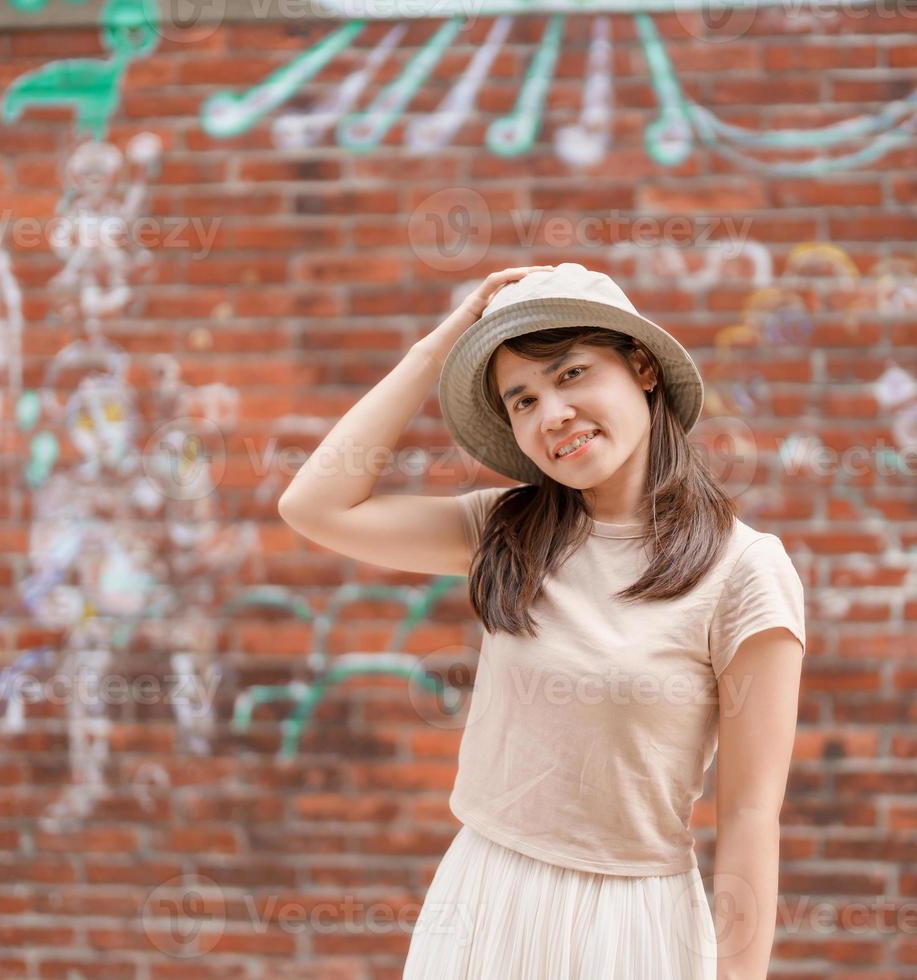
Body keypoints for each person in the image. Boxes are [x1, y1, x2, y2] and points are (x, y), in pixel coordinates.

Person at [278, 262, 807, 980]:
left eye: (571, 374)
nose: (551, 414)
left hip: (631, 923)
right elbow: (315, 507)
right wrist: (440, 346)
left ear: (643, 367)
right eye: (520, 400)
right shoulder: (505, 529)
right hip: (482, 900)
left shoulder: (744, 571)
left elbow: (748, 816)